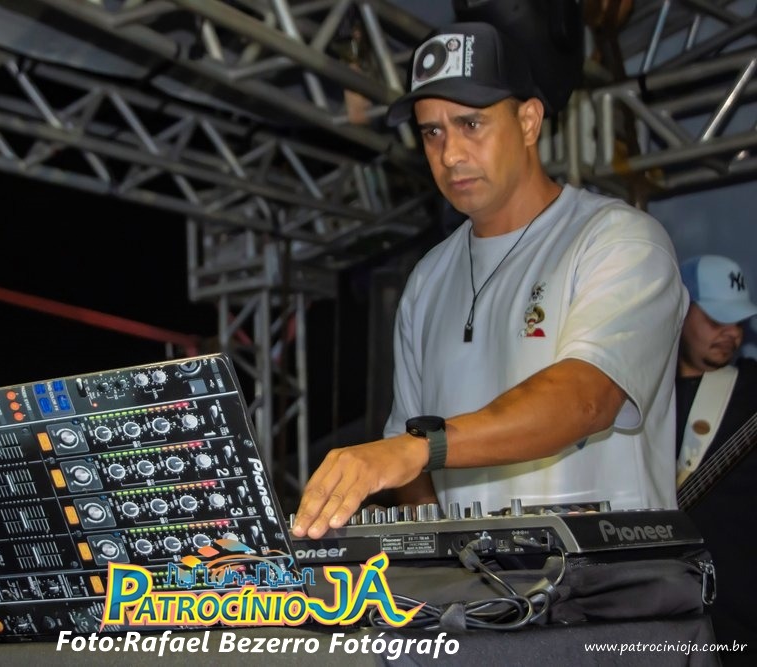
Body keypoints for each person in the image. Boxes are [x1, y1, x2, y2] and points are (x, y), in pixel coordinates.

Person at [291, 22, 687, 540]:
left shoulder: (618, 240)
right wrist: (441, 557)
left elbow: (586, 398)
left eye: (471, 124)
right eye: (432, 132)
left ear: (529, 121)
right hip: (482, 589)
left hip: (611, 581)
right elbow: (411, 461)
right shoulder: (428, 280)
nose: (450, 154)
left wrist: (421, 449)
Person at [675, 254, 757, 663]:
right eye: (715, 318)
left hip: (742, 618)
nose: (731, 332)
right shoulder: (637, 397)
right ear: (679, 309)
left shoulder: (751, 388)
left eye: (739, 321)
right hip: (662, 609)